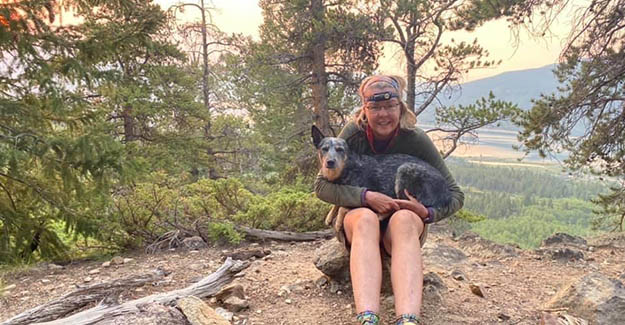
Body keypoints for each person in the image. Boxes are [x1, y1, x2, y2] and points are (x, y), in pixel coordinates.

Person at [314, 75, 464, 325]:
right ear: (365, 109)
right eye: (375, 107)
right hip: (361, 218)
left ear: (400, 107)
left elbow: (456, 195)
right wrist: (365, 196)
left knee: (404, 219)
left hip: (403, 225)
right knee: (365, 218)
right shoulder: (351, 135)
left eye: (390, 106)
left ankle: (407, 320)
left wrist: (426, 212)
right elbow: (321, 185)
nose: (383, 114)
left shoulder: (415, 139)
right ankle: (368, 318)